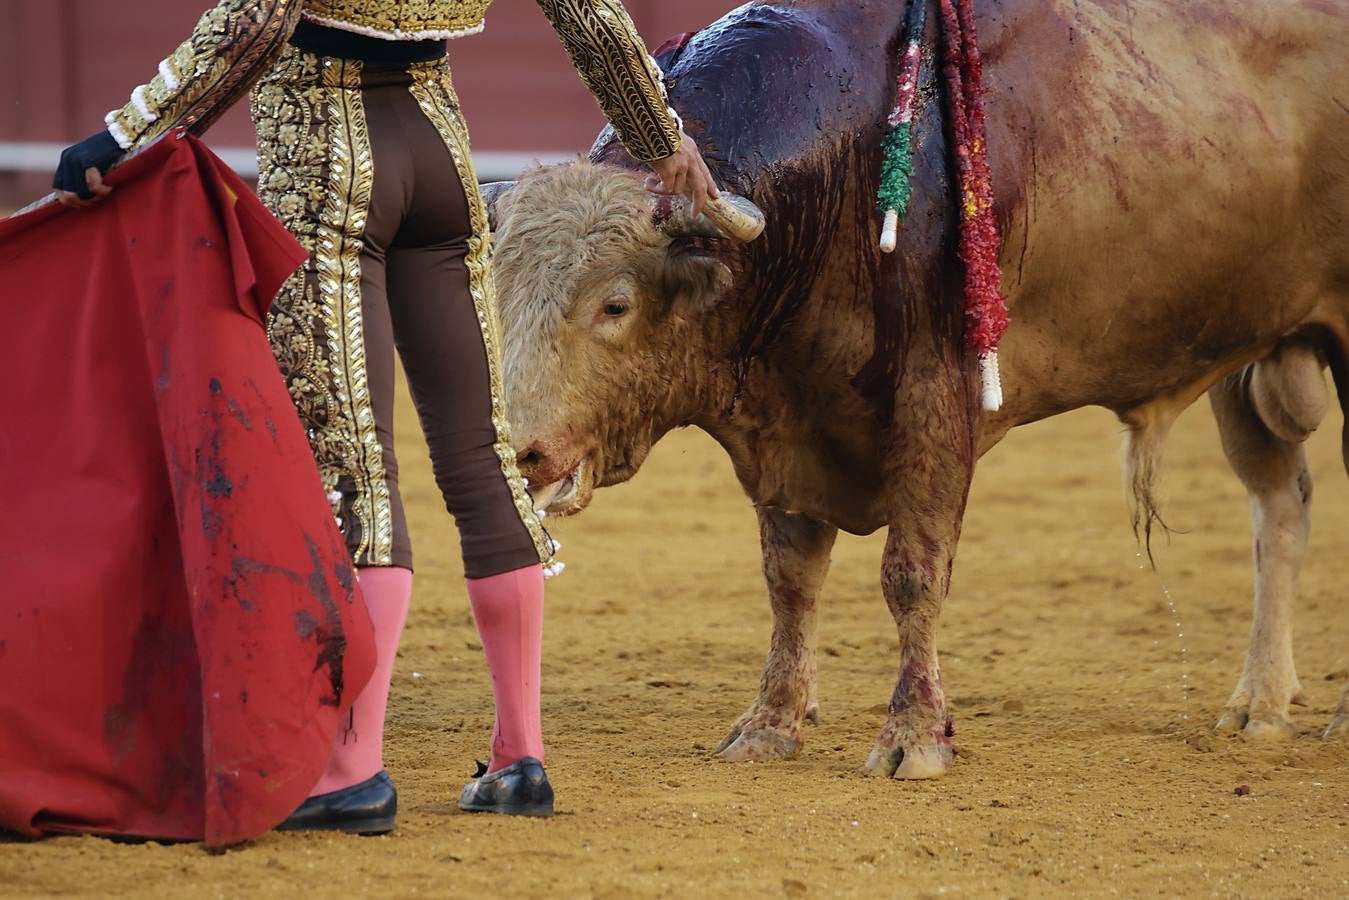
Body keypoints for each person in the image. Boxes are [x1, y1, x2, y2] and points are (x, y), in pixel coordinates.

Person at [52, 0, 718, 831]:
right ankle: (520, 759)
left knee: (354, 466)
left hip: (326, 154)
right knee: (481, 463)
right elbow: (590, 15)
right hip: (437, 143)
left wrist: (128, 134)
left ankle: (350, 769)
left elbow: (255, 18)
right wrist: (661, 141)